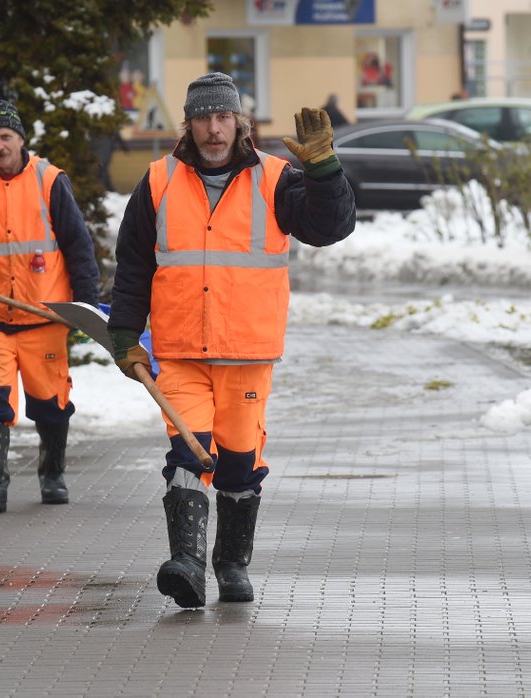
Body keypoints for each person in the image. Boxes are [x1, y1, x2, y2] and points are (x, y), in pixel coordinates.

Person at [107, 72, 355, 608]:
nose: (214, 130)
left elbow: (331, 226)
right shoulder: (158, 181)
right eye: (203, 118)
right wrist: (124, 334)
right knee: (186, 455)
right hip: (178, 352)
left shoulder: (276, 179)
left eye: (223, 118)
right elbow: (132, 267)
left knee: (239, 464)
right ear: (189, 123)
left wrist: (323, 168)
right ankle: (188, 564)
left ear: (240, 122)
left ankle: (231, 563)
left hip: (247, 351)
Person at [0, 99, 100, 515]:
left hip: (44, 315)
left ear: (21, 138)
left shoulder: (49, 180)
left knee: (50, 402)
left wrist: (84, 306)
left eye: (5, 136)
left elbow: (78, 247)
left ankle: (52, 476)